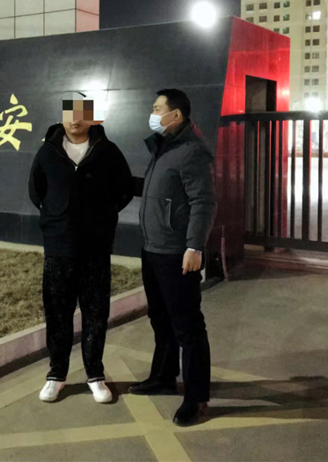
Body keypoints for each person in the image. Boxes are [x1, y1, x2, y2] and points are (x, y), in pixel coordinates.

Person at [28, 92, 134, 404]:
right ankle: (56, 375)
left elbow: (124, 189)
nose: (75, 118)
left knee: (95, 313)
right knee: (58, 313)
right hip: (58, 248)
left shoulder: (107, 152)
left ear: (91, 117)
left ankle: (95, 375)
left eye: (82, 112)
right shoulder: (47, 152)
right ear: (62, 117)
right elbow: (36, 191)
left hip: (95, 248)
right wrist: (55, 216)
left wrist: (103, 216)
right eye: (69, 112)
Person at [129, 88, 216, 427]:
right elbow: (161, 190)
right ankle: (164, 377)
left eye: (157, 109)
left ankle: (196, 397)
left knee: (188, 327)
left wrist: (194, 246)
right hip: (153, 249)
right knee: (161, 319)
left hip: (177, 253)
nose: (152, 114)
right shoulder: (165, 146)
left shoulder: (191, 151)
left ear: (175, 115)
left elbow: (203, 202)